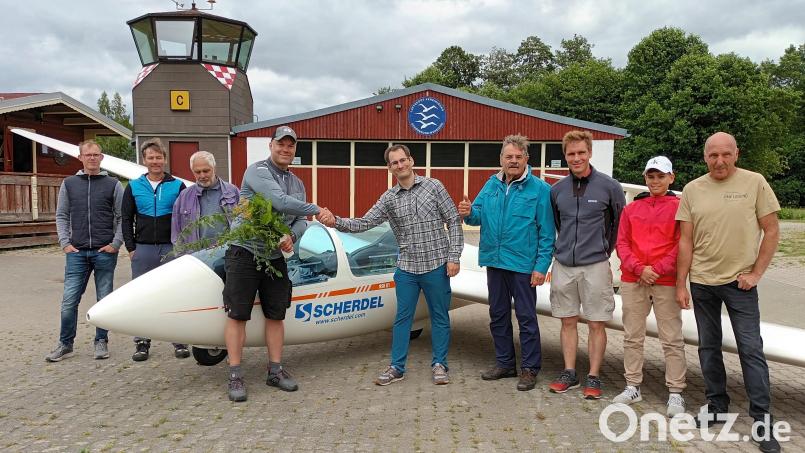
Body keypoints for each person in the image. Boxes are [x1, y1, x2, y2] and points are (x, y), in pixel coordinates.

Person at [319, 144, 464, 386]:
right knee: (402, 318)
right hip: (407, 269)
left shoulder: (434, 186)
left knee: (439, 316)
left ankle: (440, 364)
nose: (400, 165)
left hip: (436, 264)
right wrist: (336, 222)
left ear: (411, 161)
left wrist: (454, 256)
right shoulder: (389, 199)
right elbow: (365, 223)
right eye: (394, 162)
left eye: (403, 160)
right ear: (389, 168)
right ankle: (397, 367)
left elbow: (453, 220)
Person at [676, 132, 781, 453]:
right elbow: (685, 240)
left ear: (737, 154)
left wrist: (756, 273)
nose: (719, 161)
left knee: (751, 350)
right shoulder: (692, 189)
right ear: (705, 157)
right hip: (702, 283)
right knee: (708, 348)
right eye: (713, 155)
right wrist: (681, 283)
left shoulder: (755, 182)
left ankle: (762, 420)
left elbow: (771, 230)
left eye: (725, 154)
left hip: (740, 285)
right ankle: (716, 406)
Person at [224, 126, 322, 402]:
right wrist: (317, 208)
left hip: (275, 256)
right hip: (244, 252)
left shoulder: (298, 183)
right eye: (281, 144)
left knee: (276, 314)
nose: (285, 149)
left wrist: (291, 236)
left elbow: (300, 220)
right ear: (271, 145)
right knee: (238, 314)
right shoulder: (257, 171)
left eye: (290, 145)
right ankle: (235, 375)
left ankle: (275, 371)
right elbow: (279, 202)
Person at [458, 134, 555, 391]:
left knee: (526, 318)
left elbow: (547, 233)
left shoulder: (541, 190)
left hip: (523, 266)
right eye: (508, 156)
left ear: (526, 159)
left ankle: (530, 368)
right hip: (495, 262)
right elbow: (477, 217)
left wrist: (541, 267)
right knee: (498, 315)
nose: (513, 161)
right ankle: (505, 363)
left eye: (518, 157)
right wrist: (469, 212)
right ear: (501, 159)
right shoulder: (491, 184)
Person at [548, 130, 625, 399]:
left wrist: (604, 251)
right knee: (567, 320)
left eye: (581, 152)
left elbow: (618, 226)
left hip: (595, 265)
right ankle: (569, 372)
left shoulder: (610, 187)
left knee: (596, 323)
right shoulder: (557, 190)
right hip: (563, 265)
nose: (576, 158)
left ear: (590, 153)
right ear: (565, 156)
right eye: (571, 154)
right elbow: (558, 224)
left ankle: (593, 376)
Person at [613, 156, 687, 417]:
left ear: (671, 178)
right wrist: (639, 268)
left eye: (661, 176)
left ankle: (675, 391)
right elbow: (622, 243)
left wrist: (657, 269)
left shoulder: (680, 208)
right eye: (651, 176)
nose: (655, 181)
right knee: (632, 336)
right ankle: (633, 386)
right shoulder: (631, 209)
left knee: (672, 338)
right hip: (635, 279)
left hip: (665, 280)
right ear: (645, 178)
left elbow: (682, 243)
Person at [46, 140, 124, 362]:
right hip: (76, 252)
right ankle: (65, 343)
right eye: (88, 155)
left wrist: (116, 243)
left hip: (104, 251)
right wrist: (64, 242)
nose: (92, 158)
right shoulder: (69, 184)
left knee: (103, 300)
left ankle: (101, 341)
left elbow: (122, 217)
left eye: (96, 154)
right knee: (69, 301)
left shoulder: (113, 184)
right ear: (80, 157)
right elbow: (61, 215)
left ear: (102, 157)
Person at [122, 138, 187, 361]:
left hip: (171, 248)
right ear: (144, 160)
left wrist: (182, 246)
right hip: (143, 248)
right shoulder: (133, 186)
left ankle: (179, 339)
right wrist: (131, 247)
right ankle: (142, 342)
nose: (155, 161)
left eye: (159, 157)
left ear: (165, 159)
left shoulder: (177, 185)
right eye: (151, 157)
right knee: (141, 296)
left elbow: (185, 217)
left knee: (174, 293)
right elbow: (125, 218)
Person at [171, 150, 239, 249]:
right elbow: (176, 232)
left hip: (228, 253)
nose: (202, 176)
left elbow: (244, 223)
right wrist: (181, 254)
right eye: (197, 172)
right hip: (195, 255)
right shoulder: (184, 196)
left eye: (206, 171)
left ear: (214, 168)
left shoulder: (232, 191)